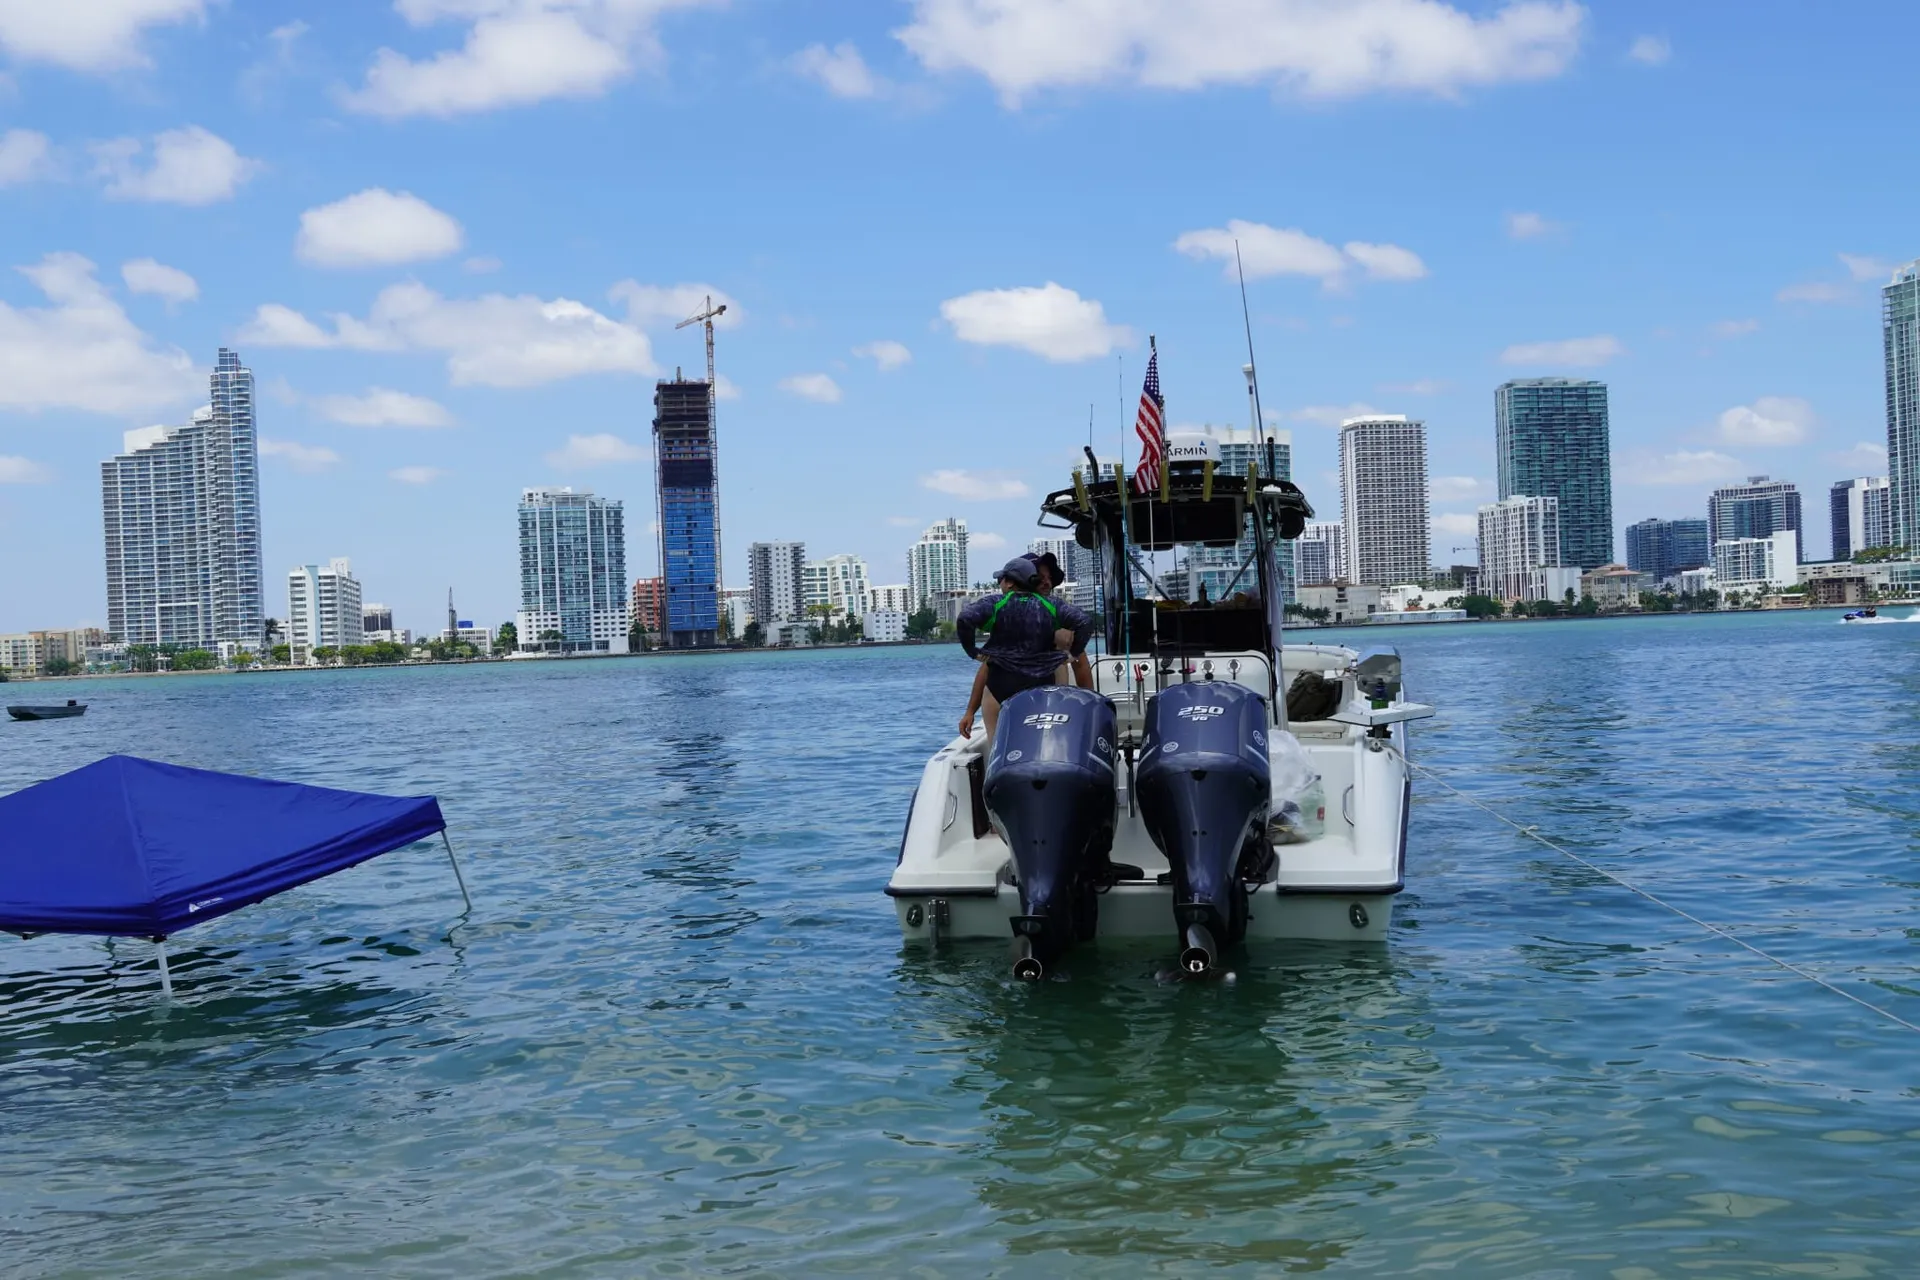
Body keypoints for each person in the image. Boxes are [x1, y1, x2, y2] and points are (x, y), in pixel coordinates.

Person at [957, 558, 1093, 740]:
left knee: (998, 750)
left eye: (1001, 580)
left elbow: (965, 618)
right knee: (1041, 748)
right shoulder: (1052, 606)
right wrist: (1073, 653)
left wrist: (972, 651)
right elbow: (1085, 622)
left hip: (1000, 686)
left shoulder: (996, 604)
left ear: (1010, 582)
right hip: (1042, 688)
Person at [1022, 550, 1095, 691]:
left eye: (1049, 578)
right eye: (1040, 577)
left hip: (1053, 701)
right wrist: (970, 712)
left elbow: (1080, 665)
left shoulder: (1060, 617)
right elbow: (988, 668)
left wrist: (1090, 699)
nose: (1047, 582)